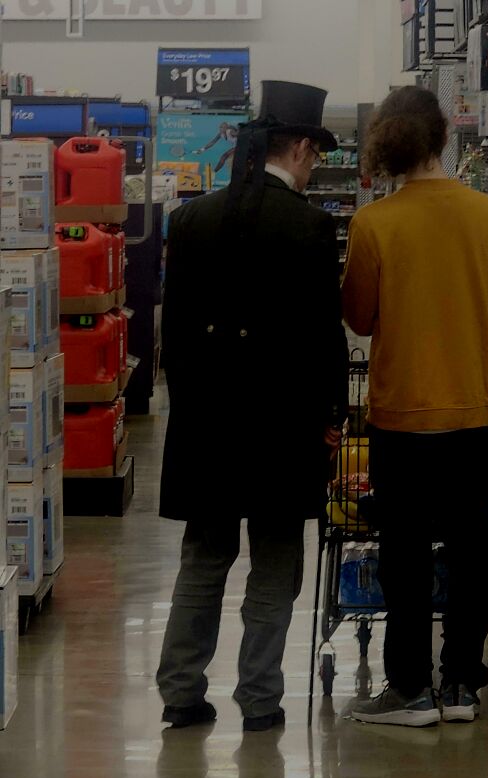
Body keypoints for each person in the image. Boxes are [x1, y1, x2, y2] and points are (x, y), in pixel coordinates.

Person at [157, 81, 349, 732]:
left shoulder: (190, 220)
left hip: (206, 426)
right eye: (315, 153)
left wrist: (192, 410)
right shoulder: (311, 227)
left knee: (203, 557)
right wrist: (331, 415)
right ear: (298, 147)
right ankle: (260, 697)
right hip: (282, 429)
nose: (315, 165)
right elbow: (327, 337)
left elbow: (173, 339)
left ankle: (181, 692)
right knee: (274, 560)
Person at [342, 86, 488, 727]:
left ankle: (410, 688)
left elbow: (358, 318)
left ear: (387, 141)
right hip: (472, 408)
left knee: (405, 553)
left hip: (401, 413)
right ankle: (465, 683)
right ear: (444, 137)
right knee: (472, 551)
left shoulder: (374, 223)